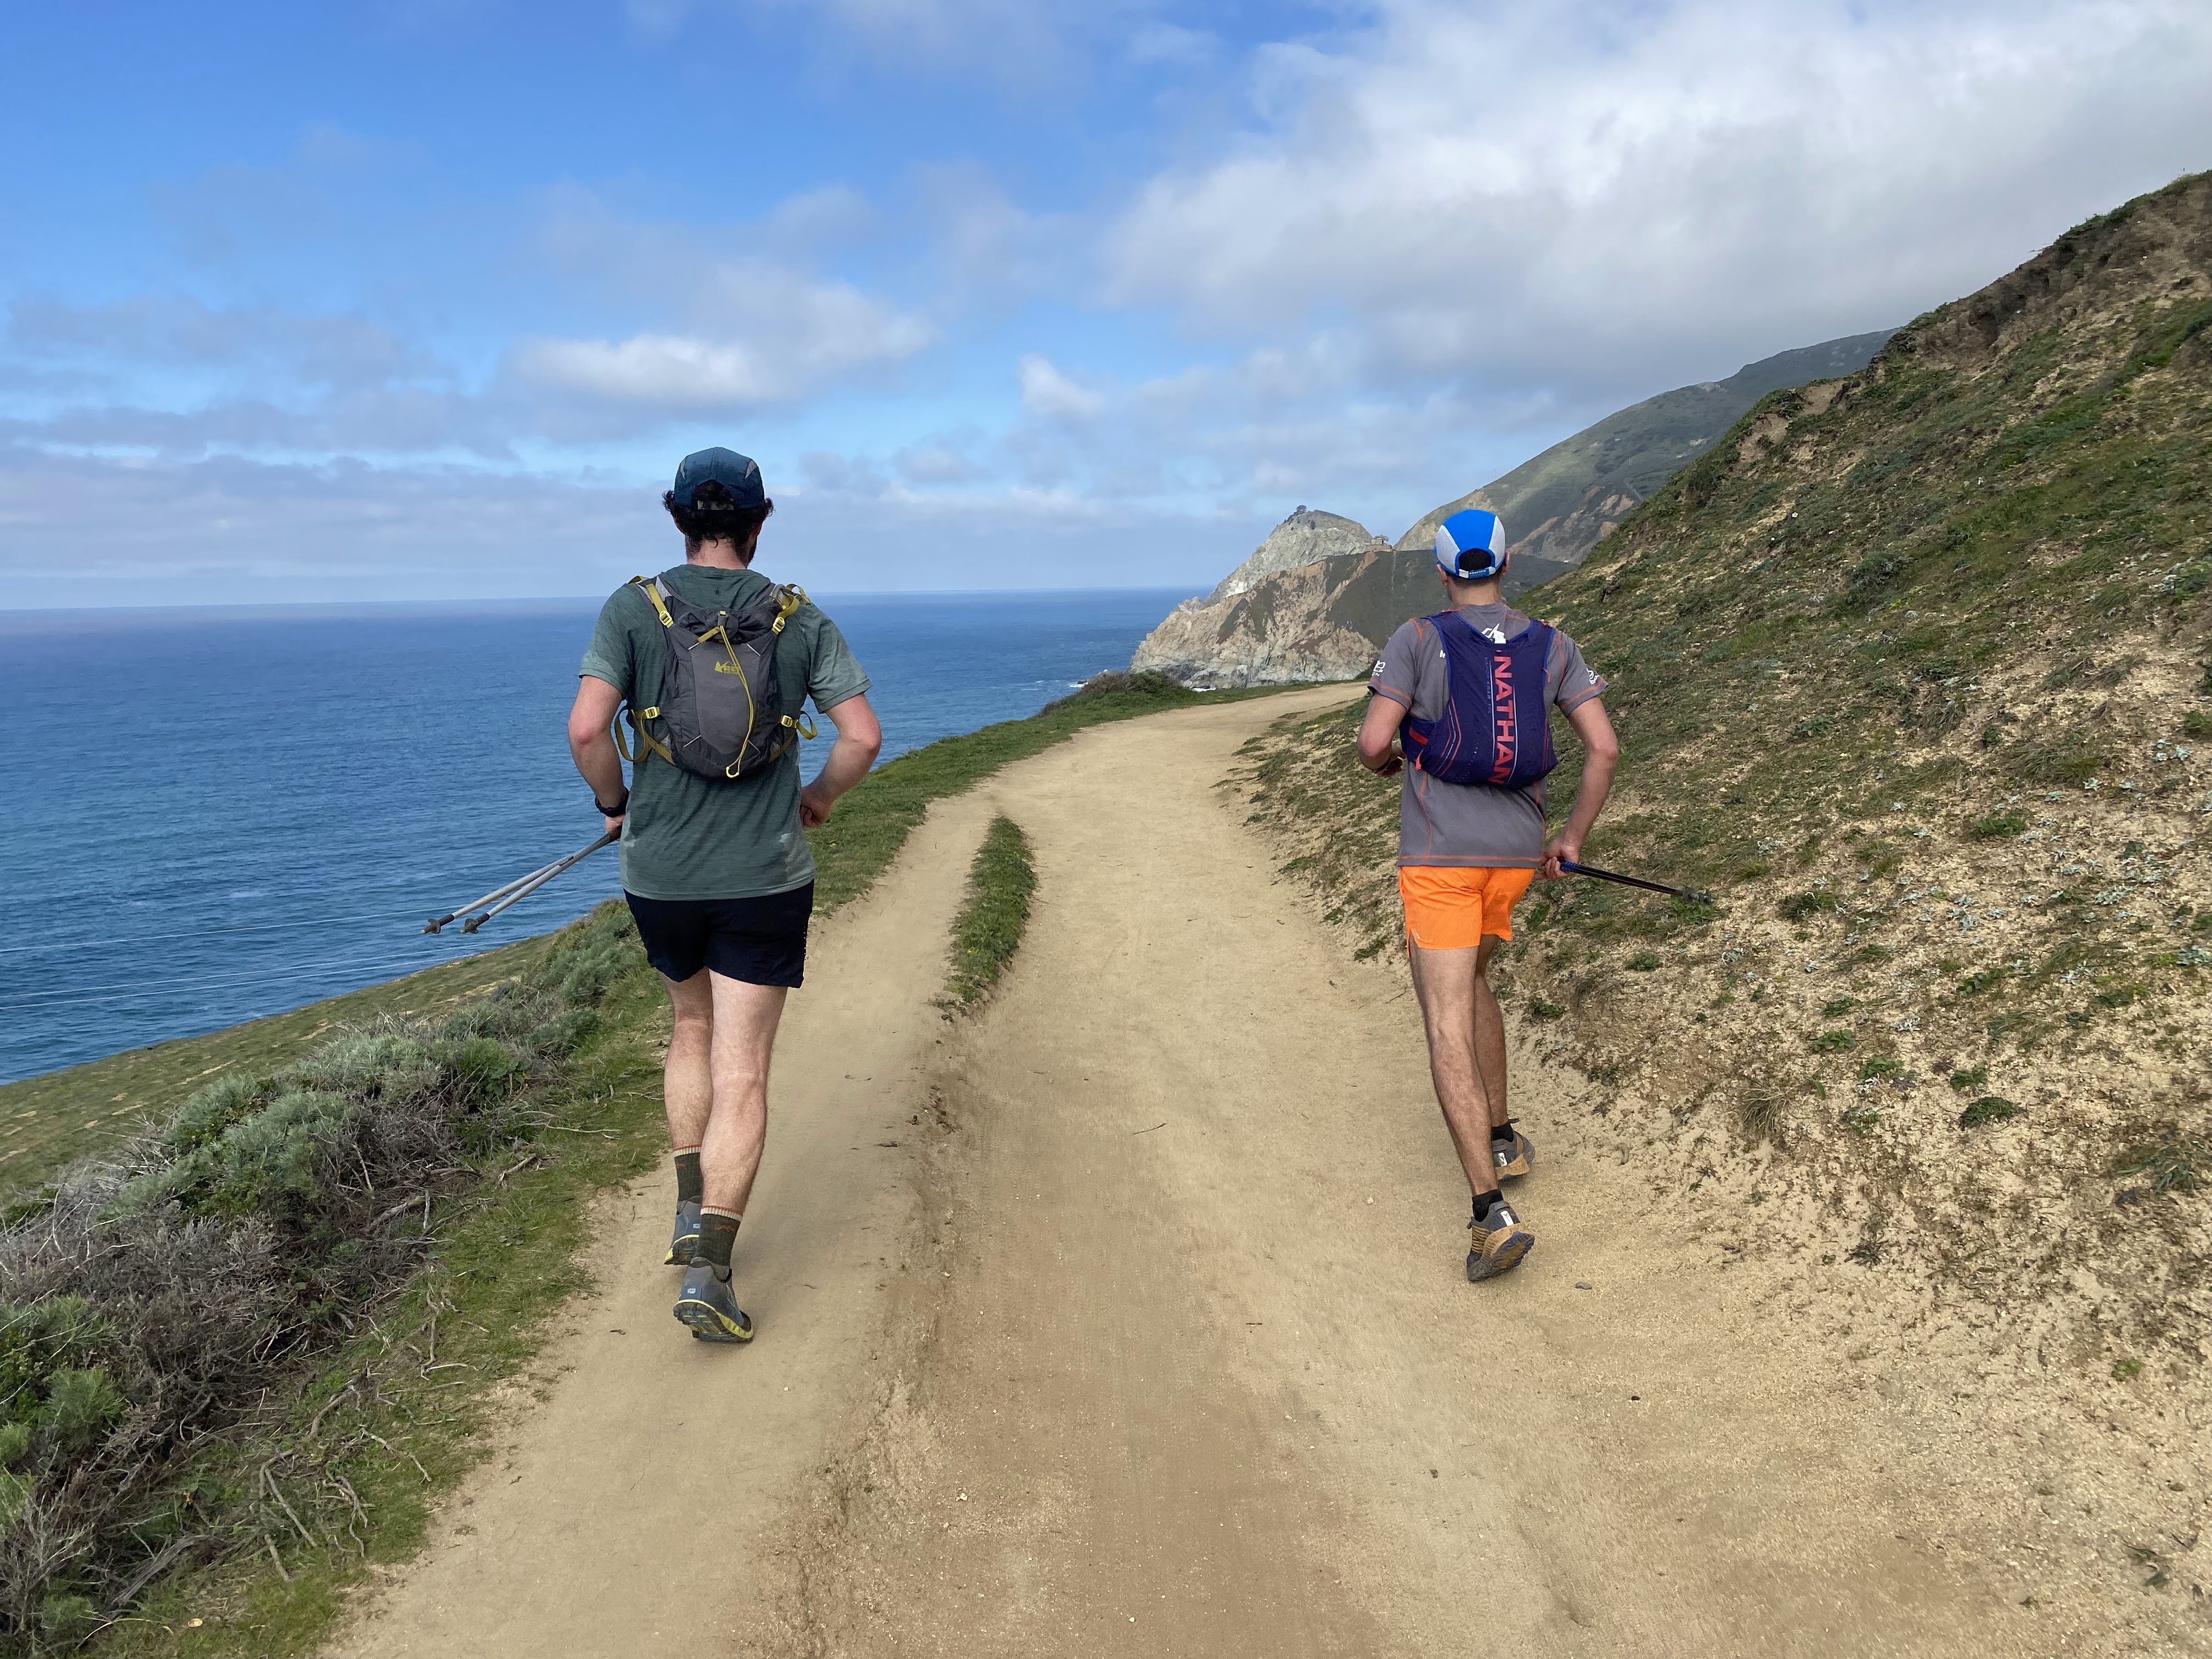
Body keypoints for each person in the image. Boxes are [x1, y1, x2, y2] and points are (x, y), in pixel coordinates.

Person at [568, 448, 882, 1342]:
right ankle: (711, 1269)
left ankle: (684, 1207)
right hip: (763, 878)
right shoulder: (797, 617)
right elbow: (862, 736)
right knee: (744, 1070)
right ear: (760, 519)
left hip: (662, 877)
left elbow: (589, 727)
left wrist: (615, 804)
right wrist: (816, 796)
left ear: (677, 518)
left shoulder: (634, 609)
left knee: (690, 1030)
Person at [1355, 506, 1617, 1284]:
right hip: (1513, 858)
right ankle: (1504, 1134)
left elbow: (1374, 742)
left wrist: (1389, 764)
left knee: (1444, 1023)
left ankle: (1488, 1214)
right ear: (1506, 566)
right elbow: (1602, 747)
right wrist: (1570, 840)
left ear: (1443, 572)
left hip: (1440, 860)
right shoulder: (1555, 644)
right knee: (1474, 981)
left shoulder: (1418, 638)